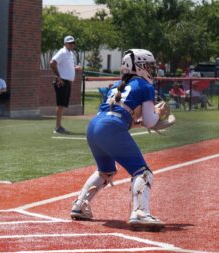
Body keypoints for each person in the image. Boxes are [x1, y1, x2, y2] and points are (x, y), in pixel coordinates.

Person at [69, 49, 166, 231]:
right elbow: (150, 121)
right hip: (110, 127)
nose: (151, 69)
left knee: (105, 171)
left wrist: (140, 121)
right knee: (142, 172)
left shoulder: (116, 85)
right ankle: (140, 212)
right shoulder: (145, 86)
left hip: (94, 126)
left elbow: (117, 116)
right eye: (148, 65)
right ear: (139, 66)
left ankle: (80, 205)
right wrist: (158, 114)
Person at [50, 35, 82, 134]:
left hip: (67, 82)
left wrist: (75, 67)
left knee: (62, 105)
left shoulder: (69, 53)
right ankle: (57, 127)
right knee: (60, 104)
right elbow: (52, 63)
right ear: (65, 43)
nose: (72, 44)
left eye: (73, 43)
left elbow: (66, 65)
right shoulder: (62, 52)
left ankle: (59, 126)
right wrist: (58, 76)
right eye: (69, 43)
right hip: (62, 81)